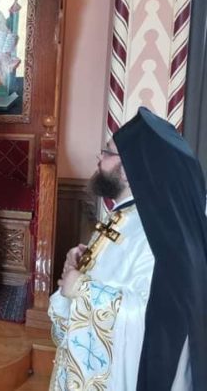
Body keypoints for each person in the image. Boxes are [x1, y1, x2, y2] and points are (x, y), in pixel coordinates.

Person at [49, 107, 207, 390]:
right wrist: (82, 266)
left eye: (107, 152)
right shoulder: (127, 216)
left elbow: (154, 322)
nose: (99, 157)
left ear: (128, 169)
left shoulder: (157, 236)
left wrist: (82, 289)